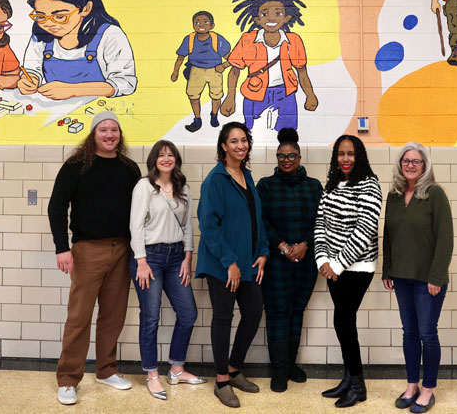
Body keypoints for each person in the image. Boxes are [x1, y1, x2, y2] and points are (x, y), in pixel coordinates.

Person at [48, 111, 141, 405]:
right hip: (87, 250)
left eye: (114, 129)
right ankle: (67, 379)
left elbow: (140, 213)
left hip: (122, 248)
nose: (110, 134)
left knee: (113, 316)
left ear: (119, 135)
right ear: (93, 134)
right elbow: (56, 207)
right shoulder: (77, 165)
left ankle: (106, 370)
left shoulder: (129, 168)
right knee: (79, 317)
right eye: (104, 129)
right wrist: (62, 248)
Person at [195, 122, 269, 408]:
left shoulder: (247, 176)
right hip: (222, 265)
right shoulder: (216, 179)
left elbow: (256, 219)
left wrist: (263, 252)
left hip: (249, 262)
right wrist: (230, 263)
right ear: (223, 146)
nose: (240, 145)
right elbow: (209, 226)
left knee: (253, 312)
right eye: (234, 141)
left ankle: (235, 368)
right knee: (223, 318)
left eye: (244, 140)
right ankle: (222, 381)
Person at [129, 140, 206, 400]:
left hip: (176, 258)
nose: (166, 158)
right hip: (149, 257)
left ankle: (176, 368)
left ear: (176, 160)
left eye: (170, 155)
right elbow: (136, 226)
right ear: (154, 159)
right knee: (150, 317)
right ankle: (151, 374)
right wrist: (140, 261)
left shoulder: (183, 188)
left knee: (188, 313)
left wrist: (188, 258)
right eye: (161, 155)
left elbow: (187, 227)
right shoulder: (144, 186)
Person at [383, 142, 453, 414]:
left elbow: (445, 240)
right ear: (400, 165)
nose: (410, 165)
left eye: (416, 161)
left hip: (428, 281)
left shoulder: (435, 195)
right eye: (406, 161)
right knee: (409, 333)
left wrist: (436, 276)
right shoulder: (394, 196)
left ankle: (428, 390)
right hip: (401, 277)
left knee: (427, 333)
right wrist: (387, 270)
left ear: (425, 166)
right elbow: (388, 237)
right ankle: (412, 385)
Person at [315, 135, 382, 408]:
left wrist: (338, 264)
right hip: (332, 267)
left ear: (360, 156)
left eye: (351, 154)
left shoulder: (370, 185)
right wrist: (322, 259)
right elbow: (320, 222)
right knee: (342, 322)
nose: (345, 159)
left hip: (357, 267)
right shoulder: (331, 185)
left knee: (343, 321)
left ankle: (358, 385)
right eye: (341, 154)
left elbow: (365, 230)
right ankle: (349, 379)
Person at [256, 127, 323, 392]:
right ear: (277, 157)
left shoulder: (314, 186)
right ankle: (279, 369)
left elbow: (321, 221)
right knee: (277, 314)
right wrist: (283, 246)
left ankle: (291, 363)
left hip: (306, 263)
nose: (286, 160)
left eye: (291, 156)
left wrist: (305, 244)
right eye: (282, 156)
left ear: (299, 157)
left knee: (296, 313)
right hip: (275, 263)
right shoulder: (266, 186)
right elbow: (261, 223)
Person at [20, 0, 137, 100]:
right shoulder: (41, 34)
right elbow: (32, 69)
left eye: (59, 16)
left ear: (86, 8)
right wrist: (30, 79)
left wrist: (73, 90)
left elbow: (126, 83)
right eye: (40, 16)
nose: (48, 24)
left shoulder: (109, 35)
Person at [221, 0, 318, 131]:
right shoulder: (248, 39)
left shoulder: (294, 40)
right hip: (254, 92)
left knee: (288, 134)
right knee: (250, 133)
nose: (271, 19)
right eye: (264, 14)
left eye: (278, 13)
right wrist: (230, 98)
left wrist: (310, 95)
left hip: (285, 93)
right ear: (257, 20)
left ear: (286, 18)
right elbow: (234, 71)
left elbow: (302, 72)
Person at [170, 10, 232, 132]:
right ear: (193, 25)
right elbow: (180, 57)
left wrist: (224, 66)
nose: (201, 25)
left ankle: (214, 115)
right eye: (197, 22)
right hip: (196, 70)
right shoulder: (190, 39)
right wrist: (175, 71)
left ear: (211, 25)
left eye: (205, 22)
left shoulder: (217, 39)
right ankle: (197, 119)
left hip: (214, 70)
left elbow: (232, 57)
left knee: (216, 95)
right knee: (193, 95)